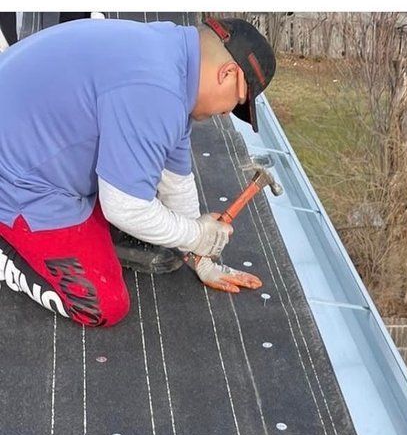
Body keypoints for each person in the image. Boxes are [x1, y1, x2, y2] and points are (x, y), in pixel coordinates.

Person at [0, 16, 276, 327]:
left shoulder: (171, 57)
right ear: (226, 73)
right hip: (16, 180)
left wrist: (200, 256)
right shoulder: (156, 90)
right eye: (234, 103)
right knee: (103, 305)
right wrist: (196, 235)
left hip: (29, 143)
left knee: (149, 217)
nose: (225, 114)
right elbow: (125, 207)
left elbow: (175, 178)